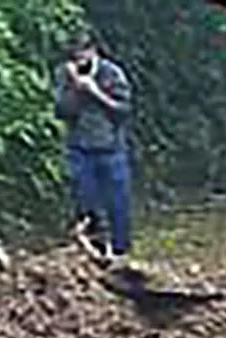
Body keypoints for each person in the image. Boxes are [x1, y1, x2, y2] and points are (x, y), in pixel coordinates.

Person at [54, 28, 136, 256]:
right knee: (85, 203)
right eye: (74, 57)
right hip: (79, 148)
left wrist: (95, 91)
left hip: (111, 147)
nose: (79, 61)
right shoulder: (64, 75)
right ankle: (95, 251)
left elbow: (123, 110)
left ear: (93, 52)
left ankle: (121, 252)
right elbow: (61, 111)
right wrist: (75, 88)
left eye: (82, 55)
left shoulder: (112, 73)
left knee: (118, 203)